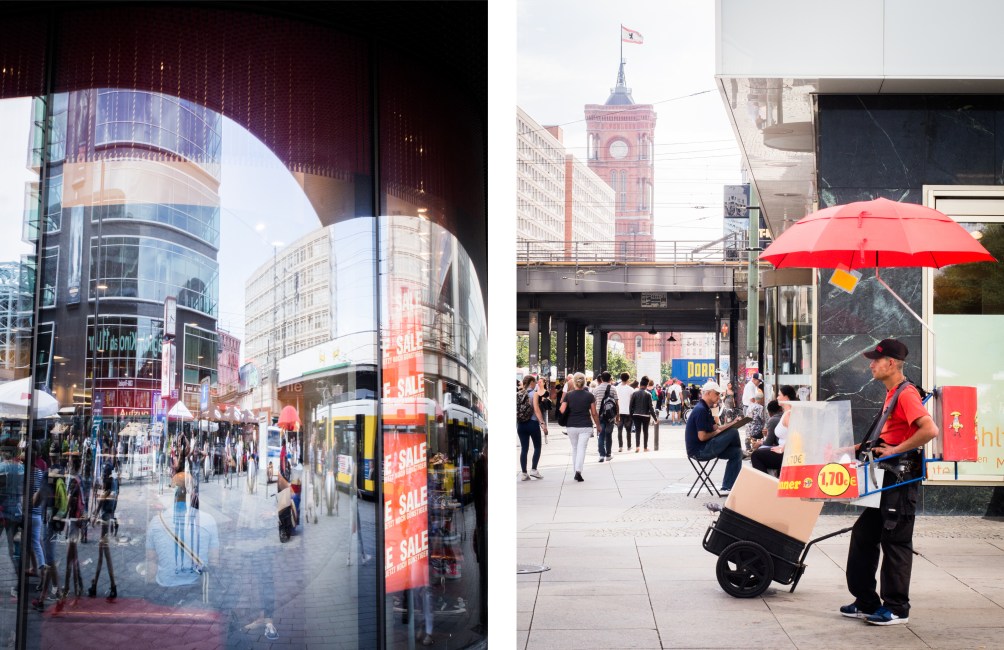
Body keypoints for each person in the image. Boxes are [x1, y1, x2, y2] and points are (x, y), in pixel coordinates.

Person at [842, 338, 937, 626]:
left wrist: (895, 451)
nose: (871, 365)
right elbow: (887, 435)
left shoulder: (905, 394)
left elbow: (929, 429)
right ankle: (867, 600)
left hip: (900, 479)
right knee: (864, 535)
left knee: (895, 541)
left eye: (875, 360)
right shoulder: (892, 393)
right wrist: (850, 449)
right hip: (887, 479)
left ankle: (896, 608)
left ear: (891, 363)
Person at [684, 381, 744, 495]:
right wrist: (716, 433)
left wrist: (733, 423)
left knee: (737, 452)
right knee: (733, 432)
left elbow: (717, 427)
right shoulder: (701, 410)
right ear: (708, 393)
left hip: (706, 446)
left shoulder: (706, 409)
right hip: (700, 451)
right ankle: (742, 452)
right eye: (716, 394)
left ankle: (727, 487)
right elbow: (702, 437)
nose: (718, 397)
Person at [558, 372, 599, 482]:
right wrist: (598, 425)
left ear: (574, 382)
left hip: (571, 425)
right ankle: (578, 471)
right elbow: (594, 413)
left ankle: (575, 470)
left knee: (575, 448)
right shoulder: (589, 395)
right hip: (585, 425)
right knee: (582, 449)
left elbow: (562, 410)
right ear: (584, 382)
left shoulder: (569, 395)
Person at [750, 388, 796, 474]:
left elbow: (795, 434)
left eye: (779, 395)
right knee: (758, 453)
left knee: (756, 455)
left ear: (786, 397)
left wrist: (783, 448)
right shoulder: (785, 413)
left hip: (787, 453)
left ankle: (766, 484)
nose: (777, 398)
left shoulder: (789, 414)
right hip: (782, 449)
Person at [516, 375, 545, 481]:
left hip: (521, 424)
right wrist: (542, 423)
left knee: (524, 448)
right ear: (531, 382)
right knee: (537, 447)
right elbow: (536, 410)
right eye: (535, 382)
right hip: (532, 423)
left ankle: (524, 473)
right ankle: (534, 470)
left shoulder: (518, 394)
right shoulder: (534, 394)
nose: (536, 384)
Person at [590, 371, 617, 462]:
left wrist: (593, 415)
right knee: (609, 434)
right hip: (610, 415)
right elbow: (617, 403)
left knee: (601, 434)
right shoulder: (613, 388)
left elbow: (593, 403)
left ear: (601, 379)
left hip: (599, 414)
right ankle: (608, 454)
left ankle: (601, 455)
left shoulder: (596, 389)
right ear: (610, 379)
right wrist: (618, 415)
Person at [629, 377, 657, 452]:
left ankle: (637, 447)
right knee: (645, 431)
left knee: (637, 431)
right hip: (646, 415)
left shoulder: (635, 393)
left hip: (636, 415)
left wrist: (631, 415)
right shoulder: (648, 394)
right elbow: (651, 408)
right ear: (646, 385)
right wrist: (655, 418)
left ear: (640, 385)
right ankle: (645, 447)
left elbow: (631, 405)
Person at [614, 373, 634, 451]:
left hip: (618, 412)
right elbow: (632, 402)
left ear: (621, 378)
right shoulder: (631, 389)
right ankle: (629, 446)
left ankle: (620, 446)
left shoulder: (616, 388)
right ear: (628, 379)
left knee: (619, 429)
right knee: (628, 430)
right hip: (628, 412)